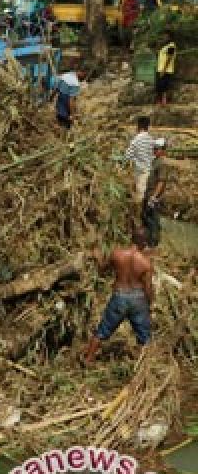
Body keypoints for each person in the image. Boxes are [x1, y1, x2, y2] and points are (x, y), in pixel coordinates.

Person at [83, 227, 154, 363]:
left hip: (119, 296)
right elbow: (148, 288)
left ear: (131, 237)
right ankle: (144, 366)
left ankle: (88, 358)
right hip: (138, 299)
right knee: (144, 337)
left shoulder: (117, 254)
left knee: (102, 330)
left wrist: (97, 256)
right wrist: (149, 304)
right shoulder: (146, 264)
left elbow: (102, 269)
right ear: (144, 243)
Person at [124, 115, 161, 203]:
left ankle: (139, 214)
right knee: (145, 195)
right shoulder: (151, 140)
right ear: (148, 126)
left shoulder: (136, 140)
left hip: (140, 172)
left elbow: (127, 156)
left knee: (139, 197)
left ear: (138, 126)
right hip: (150, 172)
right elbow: (154, 155)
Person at [141, 138, 171, 248]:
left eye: (157, 149)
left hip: (154, 198)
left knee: (153, 221)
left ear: (163, 150)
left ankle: (153, 245)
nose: (154, 150)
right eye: (154, 148)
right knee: (147, 219)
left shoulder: (162, 163)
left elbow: (161, 181)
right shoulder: (155, 161)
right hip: (148, 196)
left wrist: (153, 197)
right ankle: (147, 242)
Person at [54, 66, 82, 131]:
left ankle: (59, 134)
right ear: (79, 72)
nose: (83, 76)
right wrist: (72, 114)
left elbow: (56, 88)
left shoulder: (65, 75)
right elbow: (71, 100)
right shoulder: (75, 83)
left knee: (59, 119)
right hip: (66, 103)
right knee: (66, 124)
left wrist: (51, 97)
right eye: (83, 73)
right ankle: (64, 135)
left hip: (60, 100)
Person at [156, 35, 176, 106]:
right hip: (160, 69)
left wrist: (164, 70)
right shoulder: (165, 46)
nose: (164, 37)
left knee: (164, 86)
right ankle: (159, 101)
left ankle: (164, 101)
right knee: (159, 85)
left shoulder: (171, 45)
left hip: (166, 70)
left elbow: (169, 58)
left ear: (170, 37)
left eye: (166, 36)